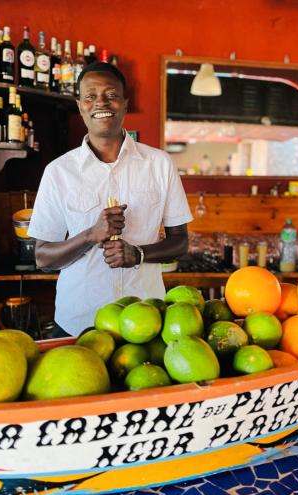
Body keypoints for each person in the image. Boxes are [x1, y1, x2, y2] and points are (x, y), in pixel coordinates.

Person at [28, 62, 193, 337]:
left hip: (146, 320)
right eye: (90, 96)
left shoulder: (159, 164)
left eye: (111, 95)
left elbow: (181, 242)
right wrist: (91, 235)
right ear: (80, 105)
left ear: (125, 104)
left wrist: (138, 254)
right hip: (78, 322)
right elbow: (43, 258)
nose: (100, 102)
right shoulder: (59, 172)